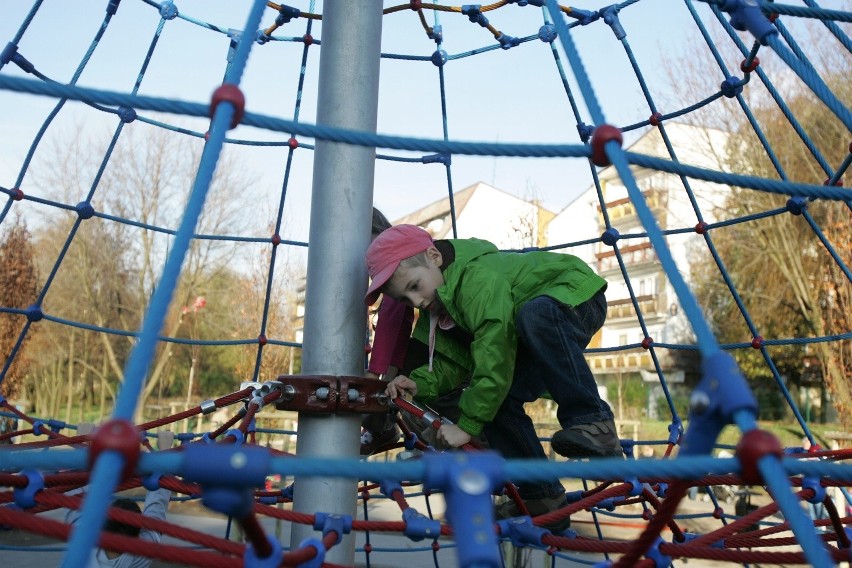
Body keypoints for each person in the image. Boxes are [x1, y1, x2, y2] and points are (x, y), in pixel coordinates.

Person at [365, 224, 621, 522]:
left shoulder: (476, 277)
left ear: (434, 256)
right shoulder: (439, 310)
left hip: (573, 295)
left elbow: (495, 348)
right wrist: (418, 384)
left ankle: (594, 423)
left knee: (536, 316)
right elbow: (454, 365)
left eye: (414, 286)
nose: (418, 302)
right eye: (406, 300)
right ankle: (541, 495)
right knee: (498, 403)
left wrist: (467, 426)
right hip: (529, 332)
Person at [66, 432, 173, 567]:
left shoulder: (84, 543)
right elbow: (156, 510)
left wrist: (87, 451)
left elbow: (76, 498)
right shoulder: (141, 554)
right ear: (138, 535)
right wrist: (165, 451)